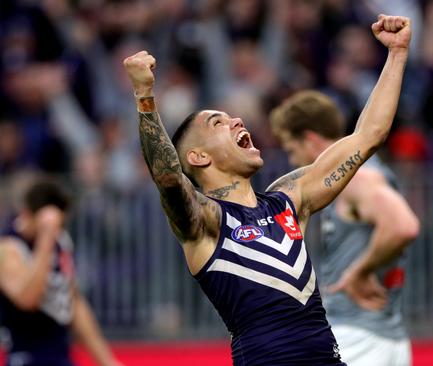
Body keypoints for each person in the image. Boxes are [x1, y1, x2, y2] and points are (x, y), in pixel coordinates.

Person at [122, 13, 410, 366]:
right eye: (219, 123)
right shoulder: (205, 222)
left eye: (232, 118)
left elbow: (368, 137)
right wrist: (145, 95)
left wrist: (397, 53)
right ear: (197, 157)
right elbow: (168, 178)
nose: (236, 121)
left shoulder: (286, 201)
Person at [270, 90, 419, 365]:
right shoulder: (360, 175)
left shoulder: (357, 177)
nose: (292, 162)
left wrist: (358, 272)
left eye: (292, 150)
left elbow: (403, 225)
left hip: (358, 338)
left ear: (311, 140)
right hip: (386, 335)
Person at [0, 178, 120, 366]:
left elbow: (73, 301)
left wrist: (107, 360)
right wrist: (46, 238)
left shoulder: (60, 242)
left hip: (59, 354)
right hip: (25, 355)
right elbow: (28, 299)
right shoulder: (8, 248)